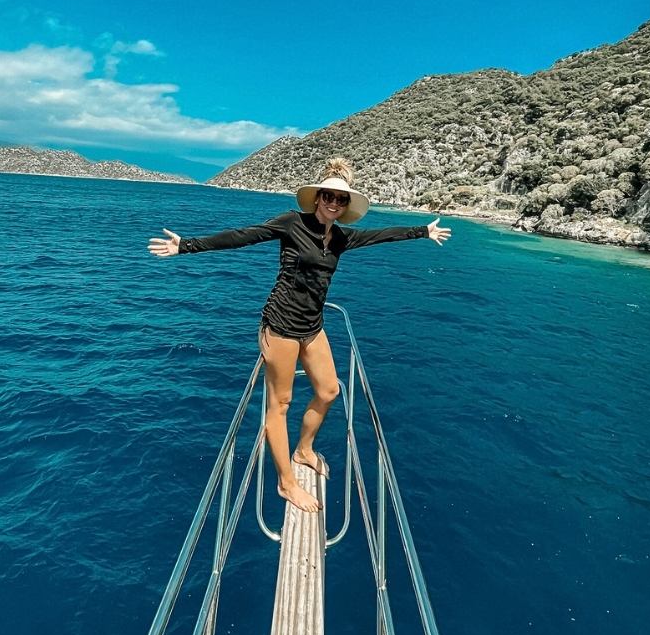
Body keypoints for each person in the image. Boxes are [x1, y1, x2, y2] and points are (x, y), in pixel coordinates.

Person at [148, 158, 451, 513]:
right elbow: (245, 235)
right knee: (280, 404)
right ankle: (285, 482)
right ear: (317, 197)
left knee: (329, 390)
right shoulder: (292, 223)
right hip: (280, 326)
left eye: (341, 200)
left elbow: (380, 236)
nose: (334, 204)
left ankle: (304, 449)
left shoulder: (341, 237)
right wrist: (186, 246)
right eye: (328, 196)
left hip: (312, 326)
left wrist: (423, 232)